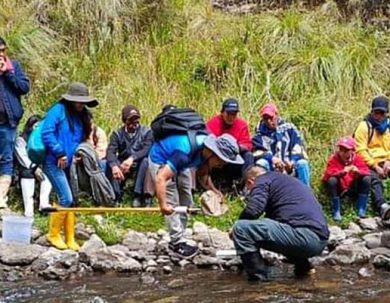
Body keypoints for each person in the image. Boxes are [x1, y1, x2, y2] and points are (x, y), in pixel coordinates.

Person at [149, 132, 244, 259]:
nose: (221, 165)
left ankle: (181, 234)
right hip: (160, 157)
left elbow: (202, 174)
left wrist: (215, 192)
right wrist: (163, 205)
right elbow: (161, 178)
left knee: (186, 194)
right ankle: (176, 243)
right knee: (171, 198)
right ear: (213, 153)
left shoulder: (205, 153)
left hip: (181, 162)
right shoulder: (184, 153)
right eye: (221, 161)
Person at [232, 166, 329, 281]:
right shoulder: (286, 182)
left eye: (249, 188)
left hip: (304, 236)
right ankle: (304, 268)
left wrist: (237, 225)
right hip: (319, 240)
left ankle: (259, 279)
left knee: (241, 229)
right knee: (282, 230)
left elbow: (254, 209)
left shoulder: (262, 180)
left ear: (250, 181)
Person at [42, 82, 98, 251]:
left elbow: (78, 139)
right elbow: (47, 133)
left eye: (83, 102)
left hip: (69, 163)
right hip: (53, 162)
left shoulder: (81, 116)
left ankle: (70, 238)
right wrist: (59, 152)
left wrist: (79, 153)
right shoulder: (57, 110)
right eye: (78, 101)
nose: (81, 104)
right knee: (66, 198)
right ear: (70, 100)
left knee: (72, 200)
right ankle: (53, 234)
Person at [0, 37, 30, 208]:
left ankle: (1, 198)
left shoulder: (14, 66)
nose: (2, 54)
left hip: (8, 123)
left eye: (4, 50)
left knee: (6, 159)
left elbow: (24, 87)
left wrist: (8, 74)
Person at [252, 103, 310, 186]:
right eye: (265, 118)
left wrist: (292, 162)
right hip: (271, 165)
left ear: (276, 115)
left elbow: (298, 146)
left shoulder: (289, 128)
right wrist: (272, 158)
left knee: (302, 163)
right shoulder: (259, 133)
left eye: (271, 118)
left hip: (289, 163)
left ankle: (306, 194)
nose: (268, 121)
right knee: (261, 163)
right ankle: (262, 192)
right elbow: (257, 151)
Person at [106, 105, 154, 207]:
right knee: (111, 163)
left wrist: (132, 158)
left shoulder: (146, 132)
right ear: (124, 121)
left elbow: (146, 149)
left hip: (139, 161)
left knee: (146, 161)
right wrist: (114, 166)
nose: (133, 125)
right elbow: (111, 151)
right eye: (130, 122)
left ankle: (137, 195)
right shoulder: (117, 134)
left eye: (136, 122)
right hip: (122, 163)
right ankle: (116, 196)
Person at [354, 96, 390, 220]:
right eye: (376, 112)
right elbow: (360, 150)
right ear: (372, 112)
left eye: (382, 113)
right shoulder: (364, 127)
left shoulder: (388, 128)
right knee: (373, 178)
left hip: (385, 161)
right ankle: (382, 206)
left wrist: (388, 161)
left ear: (386, 113)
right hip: (368, 162)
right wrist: (375, 165)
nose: (378, 116)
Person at [206, 98, 254, 190]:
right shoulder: (214, 123)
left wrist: (237, 148)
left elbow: (247, 144)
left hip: (234, 158)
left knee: (248, 156)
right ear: (222, 112)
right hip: (217, 158)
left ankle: (246, 186)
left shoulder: (242, 124)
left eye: (234, 114)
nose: (231, 117)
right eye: (229, 114)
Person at [322, 136, 370, 221]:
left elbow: (366, 171)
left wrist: (358, 171)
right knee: (332, 180)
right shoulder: (334, 159)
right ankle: (336, 211)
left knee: (366, 179)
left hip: (353, 187)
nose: (343, 152)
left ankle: (361, 209)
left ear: (352, 150)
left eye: (346, 150)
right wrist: (342, 172)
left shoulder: (357, 159)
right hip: (340, 188)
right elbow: (327, 174)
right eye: (341, 149)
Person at [14, 115, 52, 217]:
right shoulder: (21, 139)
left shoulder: (43, 140)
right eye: (35, 126)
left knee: (49, 174)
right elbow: (22, 157)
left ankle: (44, 204)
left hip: (40, 166)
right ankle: (28, 210)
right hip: (26, 167)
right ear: (29, 126)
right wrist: (34, 167)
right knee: (27, 174)